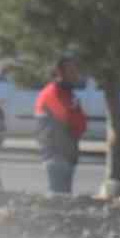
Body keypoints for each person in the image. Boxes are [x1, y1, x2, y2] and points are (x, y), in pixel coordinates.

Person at [35, 56, 87, 195]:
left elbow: (82, 124)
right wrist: (76, 119)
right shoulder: (51, 94)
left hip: (68, 155)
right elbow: (68, 119)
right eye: (72, 71)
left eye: (76, 70)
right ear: (59, 73)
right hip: (56, 155)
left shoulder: (69, 94)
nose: (76, 74)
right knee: (57, 201)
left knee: (64, 200)